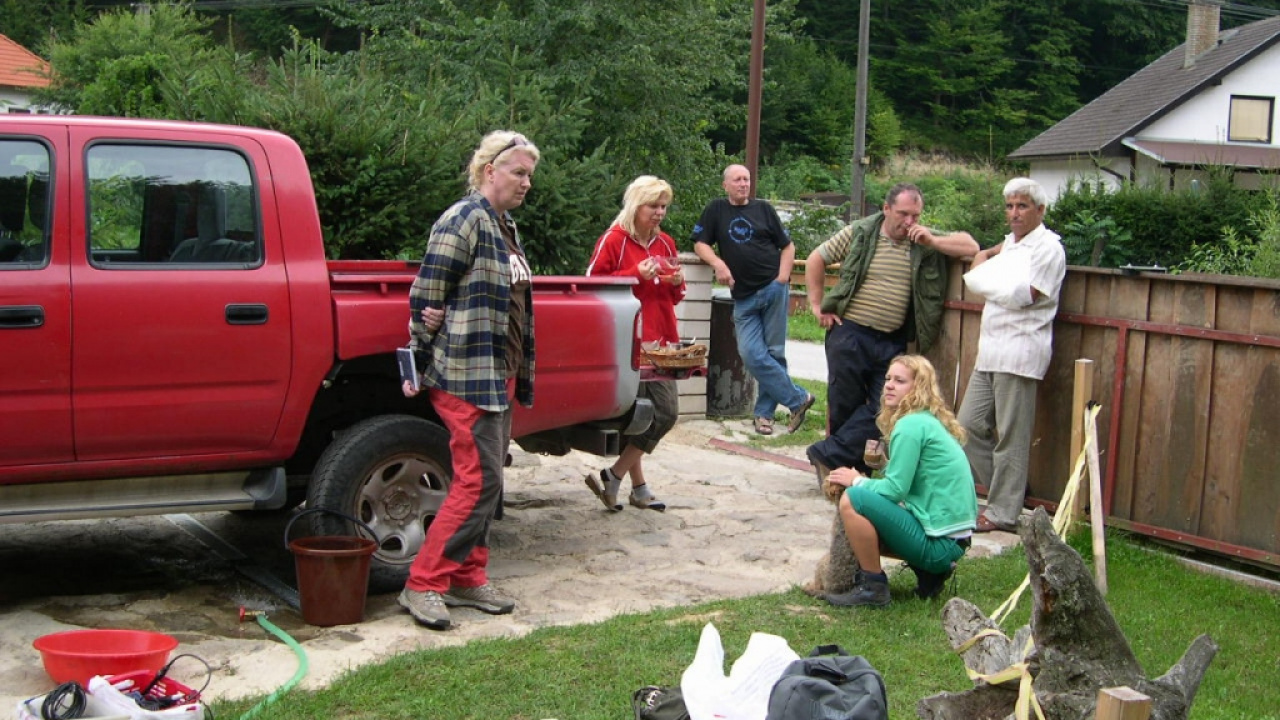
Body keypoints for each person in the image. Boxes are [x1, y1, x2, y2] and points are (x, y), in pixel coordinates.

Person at [398, 130, 540, 630]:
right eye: (519, 173)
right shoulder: (465, 219)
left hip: (496, 376)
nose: (526, 183)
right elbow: (426, 294)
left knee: (487, 483)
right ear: (489, 171)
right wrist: (421, 338)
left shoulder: (505, 226)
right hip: (464, 375)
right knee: (478, 482)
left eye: (529, 175)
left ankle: (468, 576)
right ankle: (425, 582)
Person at [803, 183, 977, 485]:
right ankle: (846, 476)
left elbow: (971, 247)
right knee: (844, 406)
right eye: (903, 214)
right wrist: (817, 305)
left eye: (915, 215)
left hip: (892, 340)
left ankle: (828, 455)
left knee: (888, 408)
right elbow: (816, 258)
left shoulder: (922, 239)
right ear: (886, 209)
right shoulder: (861, 232)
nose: (909, 221)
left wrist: (933, 240)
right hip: (851, 332)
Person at [822, 354, 978, 608]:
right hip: (953, 542)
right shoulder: (927, 421)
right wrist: (883, 466)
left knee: (853, 500)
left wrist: (856, 481)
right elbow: (915, 484)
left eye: (900, 380)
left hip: (940, 546)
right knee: (868, 507)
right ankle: (929, 575)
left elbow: (895, 491)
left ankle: (874, 588)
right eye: (888, 379)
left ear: (918, 388)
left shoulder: (910, 425)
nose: (889, 385)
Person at [957, 178, 1067, 533]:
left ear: (1040, 210)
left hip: (1021, 351)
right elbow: (979, 273)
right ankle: (1010, 493)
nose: (1014, 213)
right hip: (989, 351)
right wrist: (986, 263)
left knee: (1012, 436)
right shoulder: (1009, 245)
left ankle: (1004, 511)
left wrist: (986, 283)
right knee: (966, 426)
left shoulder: (1048, 248)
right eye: (1010, 206)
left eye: (1022, 206)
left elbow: (1027, 294)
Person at [583, 176, 686, 512]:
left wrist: (676, 282)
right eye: (653, 205)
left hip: (663, 339)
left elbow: (675, 296)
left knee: (652, 414)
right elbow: (591, 286)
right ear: (636, 205)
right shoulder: (614, 240)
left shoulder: (666, 243)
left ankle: (625, 482)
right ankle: (624, 481)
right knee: (658, 414)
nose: (659, 212)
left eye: (663, 207)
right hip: (628, 339)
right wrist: (632, 274)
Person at [692, 164, 814, 436]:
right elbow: (699, 243)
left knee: (774, 354)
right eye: (737, 180)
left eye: (746, 179)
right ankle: (798, 399)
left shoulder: (764, 209)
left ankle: (764, 415)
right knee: (750, 354)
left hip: (772, 289)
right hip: (743, 297)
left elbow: (787, 245)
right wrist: (718, 264)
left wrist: (782, 278)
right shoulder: (716, 210)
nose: (743, 184)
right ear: (725, 185)